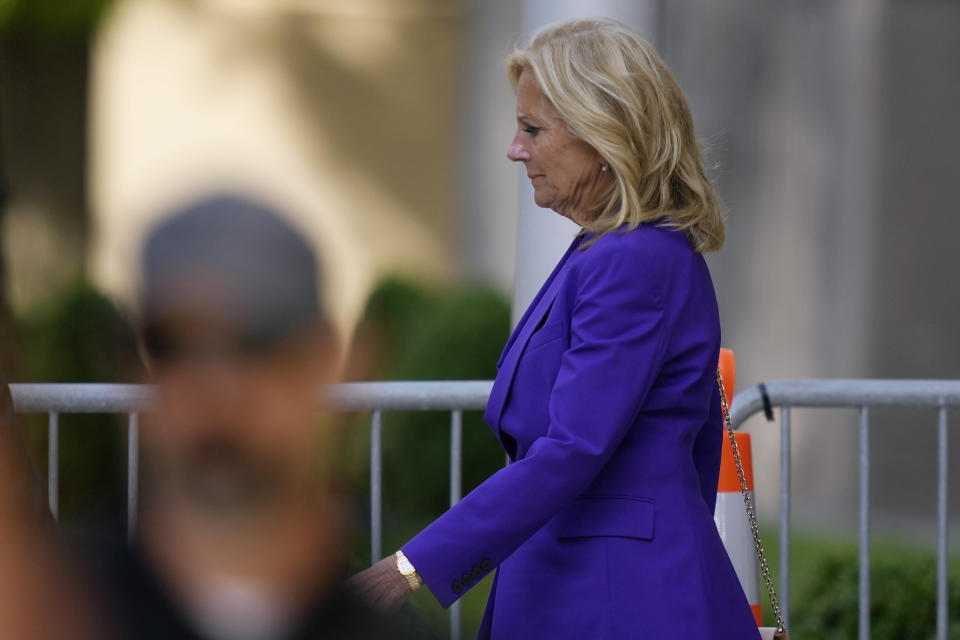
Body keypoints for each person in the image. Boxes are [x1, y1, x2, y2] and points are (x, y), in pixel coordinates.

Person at [348, 18, 762, 639]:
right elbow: (692, 450)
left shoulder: (631, 260)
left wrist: (406, 570)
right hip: (599, 583)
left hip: (614, 597)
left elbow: (570, 451)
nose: (516, 150)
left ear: (604, 137)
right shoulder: (618, 252)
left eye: (533, 130)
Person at [0, 195, 426, 640]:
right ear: (131, 365)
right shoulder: (53, 617)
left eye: (258, 344)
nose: (217, 390)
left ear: (327, 360)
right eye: (171, 347)